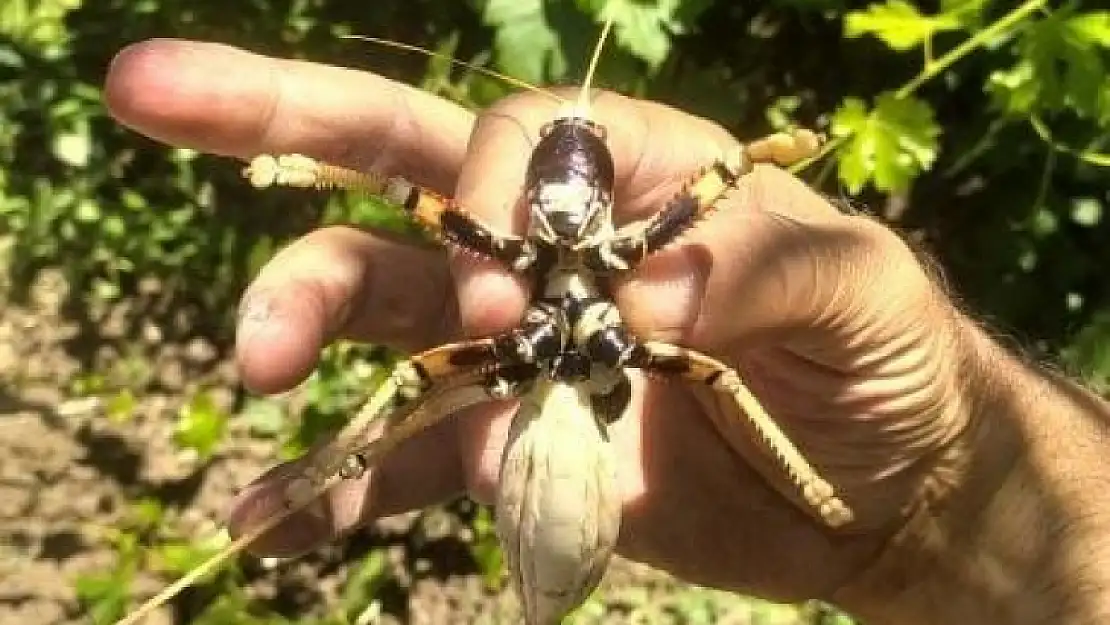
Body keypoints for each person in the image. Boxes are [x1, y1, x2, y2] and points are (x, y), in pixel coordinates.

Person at [104, 39, 1110, 625]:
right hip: (556, 413)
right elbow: (409, 195)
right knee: (415, 383)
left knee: (698, 366)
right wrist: (307, 171)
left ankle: (806, 480)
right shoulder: (517, 253)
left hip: (567, 430)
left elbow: (717, 185)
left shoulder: (635, 263)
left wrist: (947, 492)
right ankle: (327, 468)